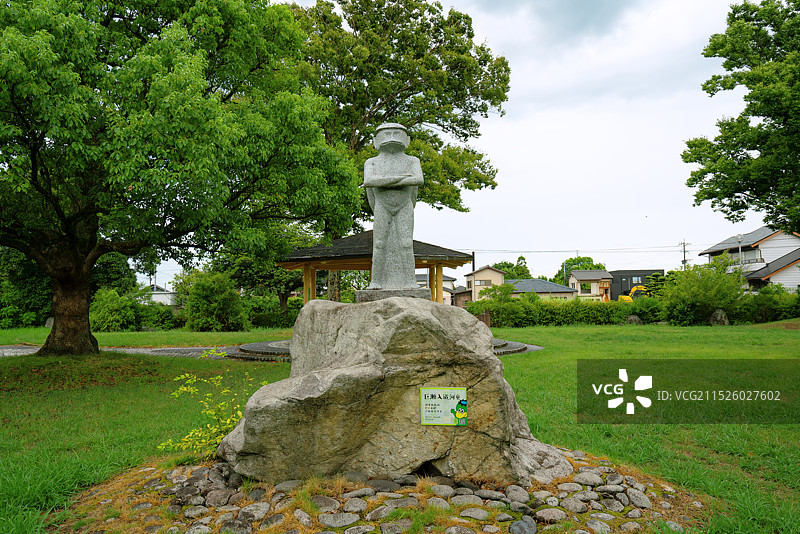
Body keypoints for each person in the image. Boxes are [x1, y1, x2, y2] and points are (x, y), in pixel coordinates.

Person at [363, 123, 423, 290]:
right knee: (379, 243)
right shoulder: (372, 162)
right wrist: (402, 178)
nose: (391, 137)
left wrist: (384, 180)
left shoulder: (412, 161)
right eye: (386, 134)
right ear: (375, 140)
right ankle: (376, 281)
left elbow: (418, 180)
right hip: (382, 205)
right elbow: (369, 182)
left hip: (404, 205)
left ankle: (411, 281)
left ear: (407, 140)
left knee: (406, 243)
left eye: (396, 133)